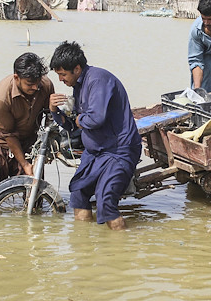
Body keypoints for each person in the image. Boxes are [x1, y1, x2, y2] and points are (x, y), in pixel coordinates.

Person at [49, 41, 142, 230]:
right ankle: (83, 249)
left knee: (105, 200)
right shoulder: (79, 85)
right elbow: (72, 123)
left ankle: (121, 250)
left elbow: (95, 119)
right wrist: (54, 110)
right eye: (58, 75)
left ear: (76, 68)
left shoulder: (98, 79)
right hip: (95, 152)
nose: (60, 80)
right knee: (78, 192)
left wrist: (78, 119)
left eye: (63, 74)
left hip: (118, 150)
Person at [0, 53, 55, 208]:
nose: (35, 87)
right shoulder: (1, 98)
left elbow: (49, 117)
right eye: (29, 84)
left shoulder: (45, 85)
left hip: (27, 140)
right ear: (16, 77)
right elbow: (9, 134)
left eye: (37, 83)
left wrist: (44, 151)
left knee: (35, 197)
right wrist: (25, 165)